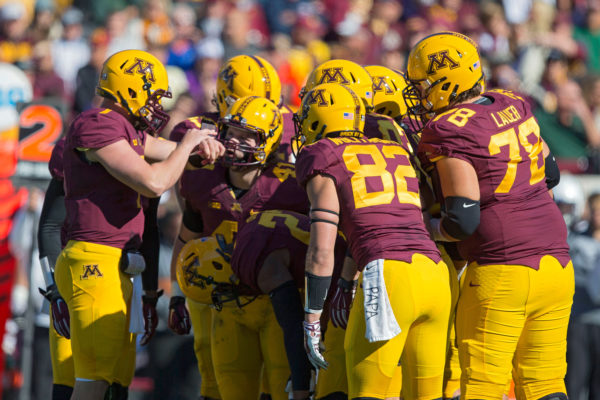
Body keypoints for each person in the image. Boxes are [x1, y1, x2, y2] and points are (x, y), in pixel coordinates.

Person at [404, 31, 572, 400]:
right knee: (545, 383)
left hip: (503, 269)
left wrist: (426, 226)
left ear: (444, 83)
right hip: (557, 262)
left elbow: (462, 220)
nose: (417, 96)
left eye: (422, 86)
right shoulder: (511, 102)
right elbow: (551, 173)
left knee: (483, 385)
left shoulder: (448, 129)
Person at [54, 49, 224, 400]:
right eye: (152, 95)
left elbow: (167, 151)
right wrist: (189, 143)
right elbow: (153, 182)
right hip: (95, 258)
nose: (156, 105)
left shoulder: (127, 130)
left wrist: (203, 146)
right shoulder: (97, 123)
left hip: (118, 264)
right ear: (130, 89)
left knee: (117, 379)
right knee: (95, 377)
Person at [295, 82, 451, 400]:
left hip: (391, 276)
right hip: (435, 272)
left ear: (316, 120)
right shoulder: (394, 150)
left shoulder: (322, 154)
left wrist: (312, 317)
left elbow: (322, 250)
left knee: (369, 392)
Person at [167, 55, 293, 399]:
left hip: (275, 282)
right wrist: (178, 292)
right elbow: (190, 220)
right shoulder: (196, 137)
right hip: (215, 275)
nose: (242, 137)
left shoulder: (292, 150)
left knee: (281, 378)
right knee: (215, 373)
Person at [229, 209, 350, 400]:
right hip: (341, 266)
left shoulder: (253, 263)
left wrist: (300, 388)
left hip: (347, 278)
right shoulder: (249, 230)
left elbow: (294, 327)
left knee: (335, 385)